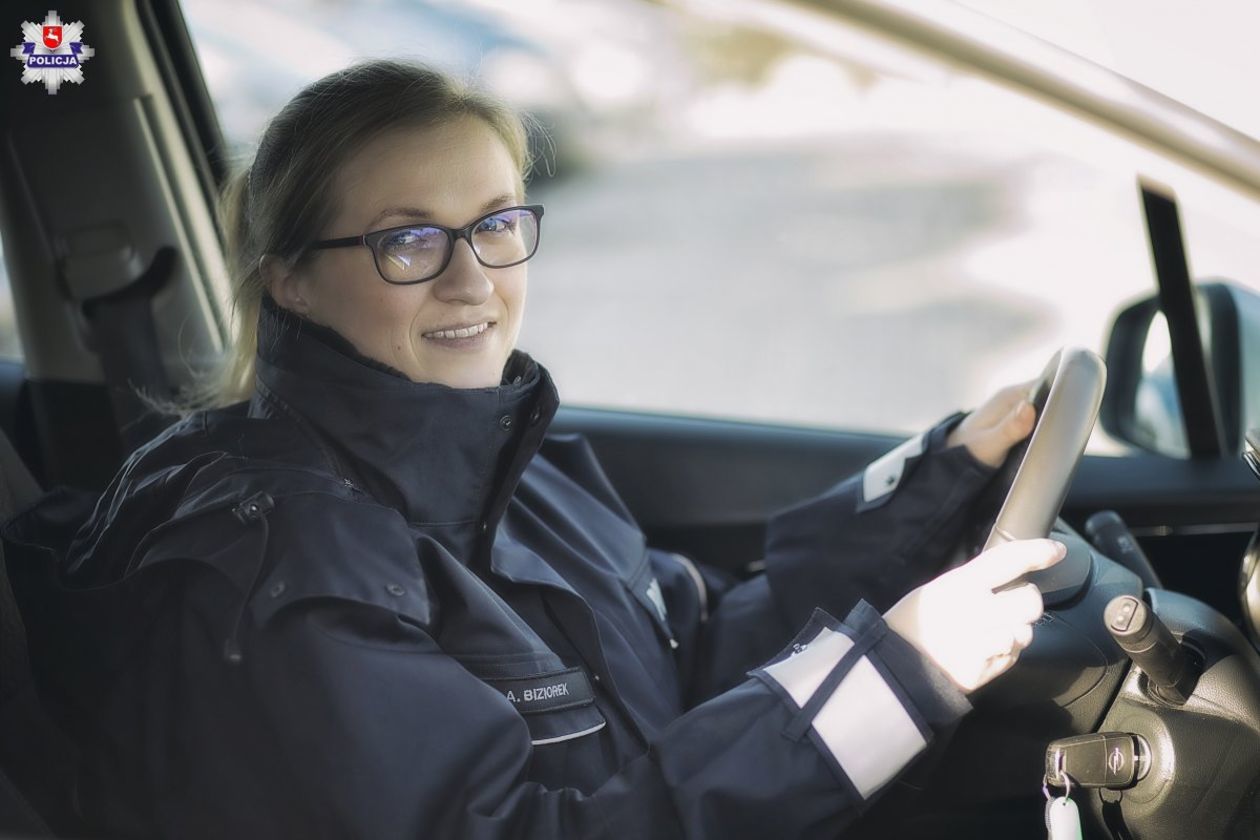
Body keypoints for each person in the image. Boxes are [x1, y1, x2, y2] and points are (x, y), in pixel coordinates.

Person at [4, 60, 1063, 839]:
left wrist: (940, 483)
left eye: (497, 223)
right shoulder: (284, 574)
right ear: (290, 279)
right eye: (408, 240)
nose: (473, 280)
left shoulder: (513, 467)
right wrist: (893, 679)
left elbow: (691, 658)